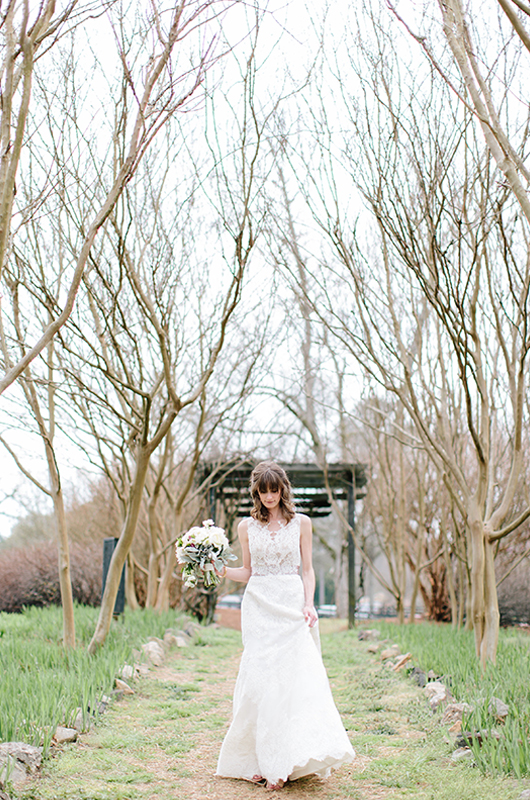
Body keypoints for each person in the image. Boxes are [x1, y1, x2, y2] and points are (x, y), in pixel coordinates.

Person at [215, 461, 355, 790]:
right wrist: (222, 569)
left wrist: (309, 603)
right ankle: (258, 759)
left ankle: (287, 757)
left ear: (282, 489)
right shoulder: (246, 527)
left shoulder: (301, 524)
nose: (268, 496)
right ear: (256, 492)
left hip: (292, 605)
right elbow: (248, 571)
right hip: (260, 605)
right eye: (262, 491)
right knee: (260, 679)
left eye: (273, 490)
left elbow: (307, 570)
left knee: (294, 679)